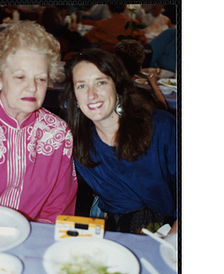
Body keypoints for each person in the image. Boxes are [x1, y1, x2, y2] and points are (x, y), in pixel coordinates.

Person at [0, 21, 78, 224]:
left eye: (41, 79)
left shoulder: (58, 133)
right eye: (20, 77)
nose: (32, 88)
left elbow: (59, 209)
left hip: (32, 240)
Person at [61, 49, 176, 234]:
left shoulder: (160, 128)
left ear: (118, 87)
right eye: (81, 86)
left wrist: (172, 241)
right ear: (74, 96)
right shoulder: (76, 139)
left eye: (101, 82)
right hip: (117, 228)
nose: (91, 94)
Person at [113, 39, 168, 110]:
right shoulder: (141, 96)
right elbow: (163, 110)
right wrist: (154, 86)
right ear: (139, 69)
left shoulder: (104, 85)